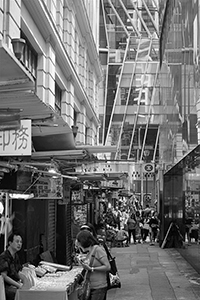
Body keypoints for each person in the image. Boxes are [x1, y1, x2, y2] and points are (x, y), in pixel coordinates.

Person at [76, 230, 110, 300]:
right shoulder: (89, 251)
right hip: (90, 286)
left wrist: (92, 269)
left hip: (99, 287)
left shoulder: (98, 249)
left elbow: (107, 266)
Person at [0, 232, 23, 300]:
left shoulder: (16, 255)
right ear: (10, 243)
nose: (19, 244)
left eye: (21, 242)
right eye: (17, 241)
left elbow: (18, 271)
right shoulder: (4, 257)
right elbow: (4, 276)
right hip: (6, 287)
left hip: (15, 284)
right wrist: (18, 285)